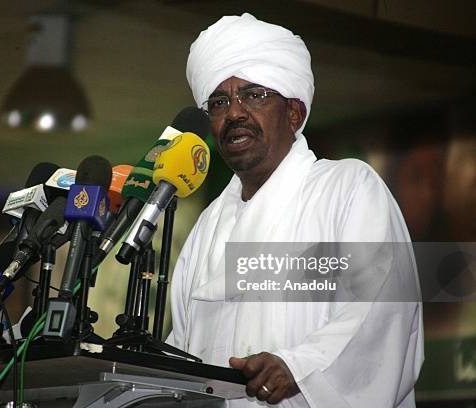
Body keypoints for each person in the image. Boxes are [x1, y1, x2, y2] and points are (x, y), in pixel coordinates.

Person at [166, 13, 424, 407]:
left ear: (294, 113)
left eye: (254, 95)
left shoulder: (347, 188)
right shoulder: (208, 227)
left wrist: (298, 368)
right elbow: (183, 347)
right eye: (219, 102)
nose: (234, 112)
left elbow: (383, 310)